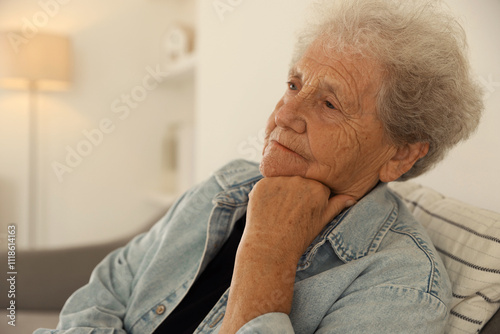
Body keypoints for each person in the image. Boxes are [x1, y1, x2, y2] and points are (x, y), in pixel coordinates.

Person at [34, 0, 484, 333]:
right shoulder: (231, 183)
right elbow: (110, 286)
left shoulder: (400, 287)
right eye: (294, 84)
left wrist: (267, 251)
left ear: (401, 154)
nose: (285, 113)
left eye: (329, 103)